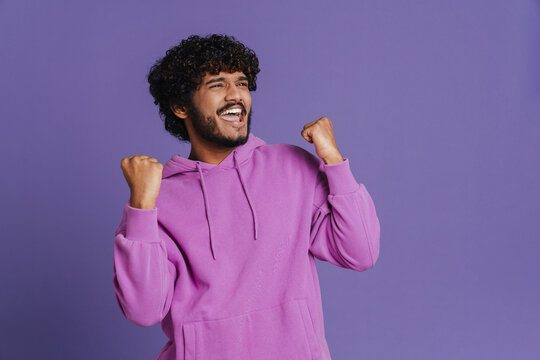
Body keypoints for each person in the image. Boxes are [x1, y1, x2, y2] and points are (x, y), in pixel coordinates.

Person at [113, 33, 381, 360]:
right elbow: (143, 310)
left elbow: (360, 252)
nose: (235, 95)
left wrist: (335, 162)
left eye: (241, 83)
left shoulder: (292, 167)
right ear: (181, 106)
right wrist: (141, 208)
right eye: (217, 85)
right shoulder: (158, 197)